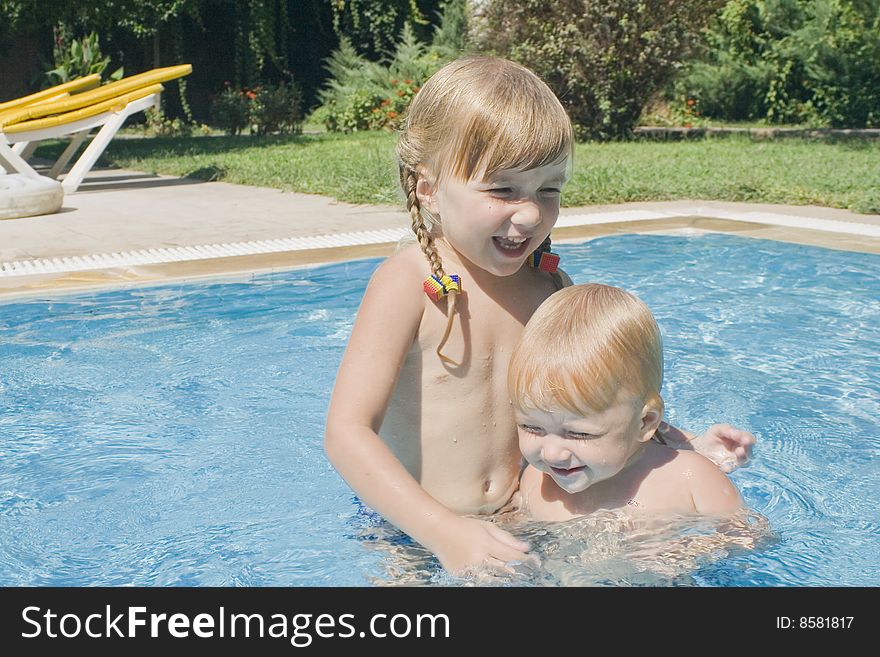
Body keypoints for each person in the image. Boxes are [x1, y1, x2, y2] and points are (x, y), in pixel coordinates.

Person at [324, 56, 754, 574]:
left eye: (548, 190)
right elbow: (346, 433)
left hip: (523, 521)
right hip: (413, 530)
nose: (529, 214)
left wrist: (677, 442)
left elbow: (593, 399)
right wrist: (441, 531)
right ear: (428, 188)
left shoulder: (549, 286)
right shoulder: (407, 285)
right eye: (502, 189)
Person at [509, 283, 744, 521]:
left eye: (578, 434)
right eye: (532, 427)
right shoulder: (535, 483)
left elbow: (749, 540)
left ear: (644, 422)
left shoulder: (690, 479)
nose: (551, 453)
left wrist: (692, 547)